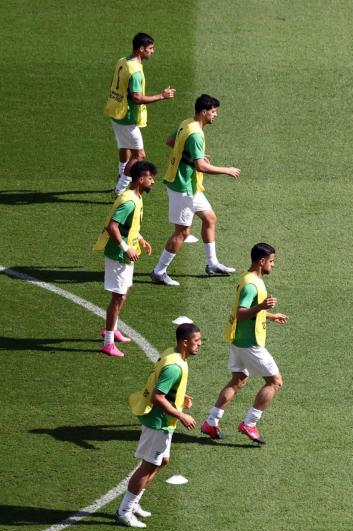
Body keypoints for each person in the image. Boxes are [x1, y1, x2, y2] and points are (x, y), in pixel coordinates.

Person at [149, 94, 241, 286]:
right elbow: (201, 167)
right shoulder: (197, 134)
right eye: (213, 112)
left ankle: (212, 263)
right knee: (182, 232)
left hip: (190, 186)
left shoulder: (187, 123)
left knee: (210, 218)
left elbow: (170, 141)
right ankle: (159, 271)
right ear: (204, 112)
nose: (215, 115)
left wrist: (192, 155)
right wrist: (227, 170)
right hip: (183, 187)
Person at [116, 322, 201, 528]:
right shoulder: (174, 366)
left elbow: (159, 383)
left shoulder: (173, 353)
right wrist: (181, 415)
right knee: (148, 465)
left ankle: (134, 503)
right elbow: (157, 397)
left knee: (162, 461)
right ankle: (124, 511)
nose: (199, 345)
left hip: (163, 419)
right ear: (185, 342)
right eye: (197, 341)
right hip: (159, 421)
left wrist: (179, 396)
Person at [201, 243, 287, 444]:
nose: (273, 266)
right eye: (272, 262)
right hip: (250, 344)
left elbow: (250, 313)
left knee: (238, 379)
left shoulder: (249, 279)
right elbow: (241, 313)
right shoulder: (251, 284)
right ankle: (250, 422)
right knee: (275, 382)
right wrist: (262, 306)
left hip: (238, 340)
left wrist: (270, 315)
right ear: (262, 261)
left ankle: (211, 422)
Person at [92, 160, 156, 357]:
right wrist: (126, 247)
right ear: (140, 179)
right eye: (150, 178)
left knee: (126, 290)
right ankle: (108, 341)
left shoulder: (136, 197)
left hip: (127, 253)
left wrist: (140, 239)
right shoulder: (129, 201)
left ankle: (112, 328)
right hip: (119, 255)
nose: (153, 181)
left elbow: (130, 226)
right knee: (118, 296)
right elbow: (113, 226)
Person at [104, 32, 175, 196]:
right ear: (141, 49)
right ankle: (121, 188)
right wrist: (161, 96)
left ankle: (121, 173)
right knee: (139, 154)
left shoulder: (123, 61)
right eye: (150, 48)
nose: (153, 51)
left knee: (124, 146)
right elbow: (136, 98)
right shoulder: (135, 70)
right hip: (127, 117)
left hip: (116, 111)